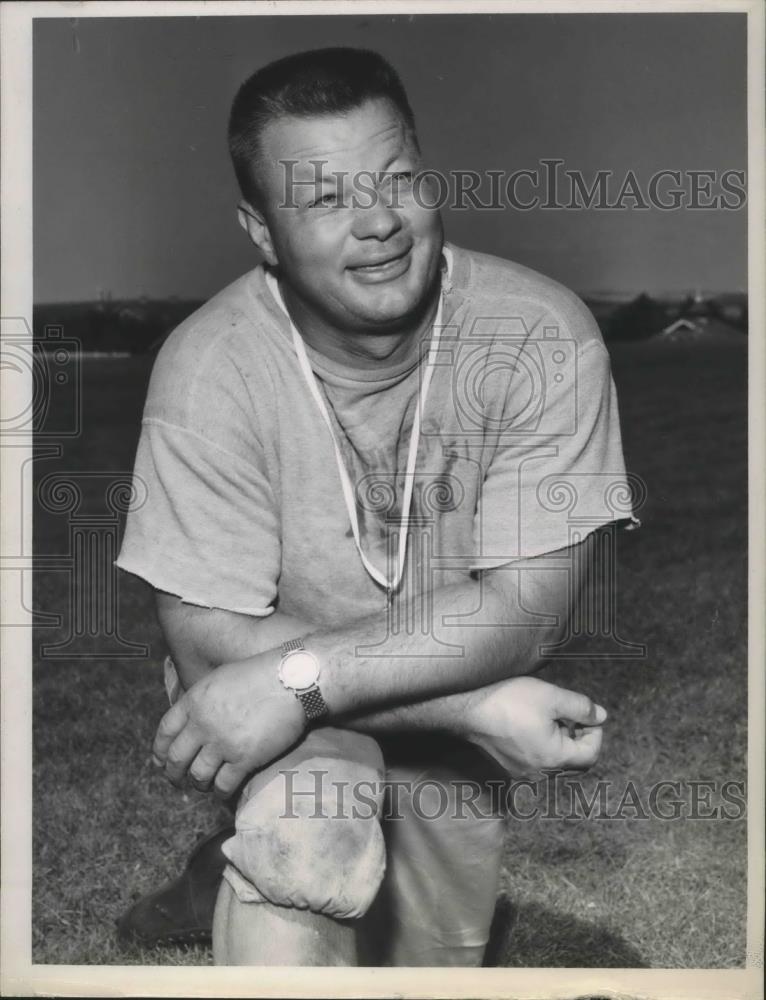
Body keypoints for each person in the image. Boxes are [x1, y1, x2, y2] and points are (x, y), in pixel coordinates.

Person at [115, 47, 637, 966]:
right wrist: (473, 709)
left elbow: (525, 611)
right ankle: (258, 856)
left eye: (397, 177)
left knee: (424, 959)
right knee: (306, 843)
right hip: (283, 688)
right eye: (323, 199)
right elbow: (208, 653)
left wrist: (298, 684)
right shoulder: (209, 368)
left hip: (314, 682)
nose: (379, 222)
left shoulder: (539, 332)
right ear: (263, 231)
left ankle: (217, 875)